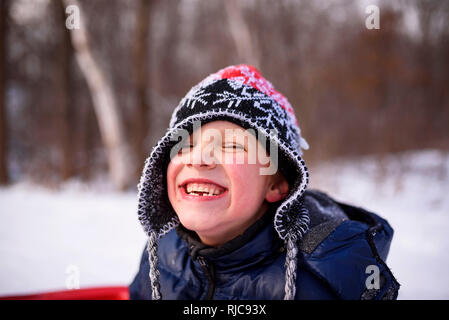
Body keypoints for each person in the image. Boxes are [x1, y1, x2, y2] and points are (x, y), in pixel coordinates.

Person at [129, 64, 400, 300]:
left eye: (232, 145)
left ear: (276, 184)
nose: (199, 159)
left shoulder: (323, 278)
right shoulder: (161, 252)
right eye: (184, 145)